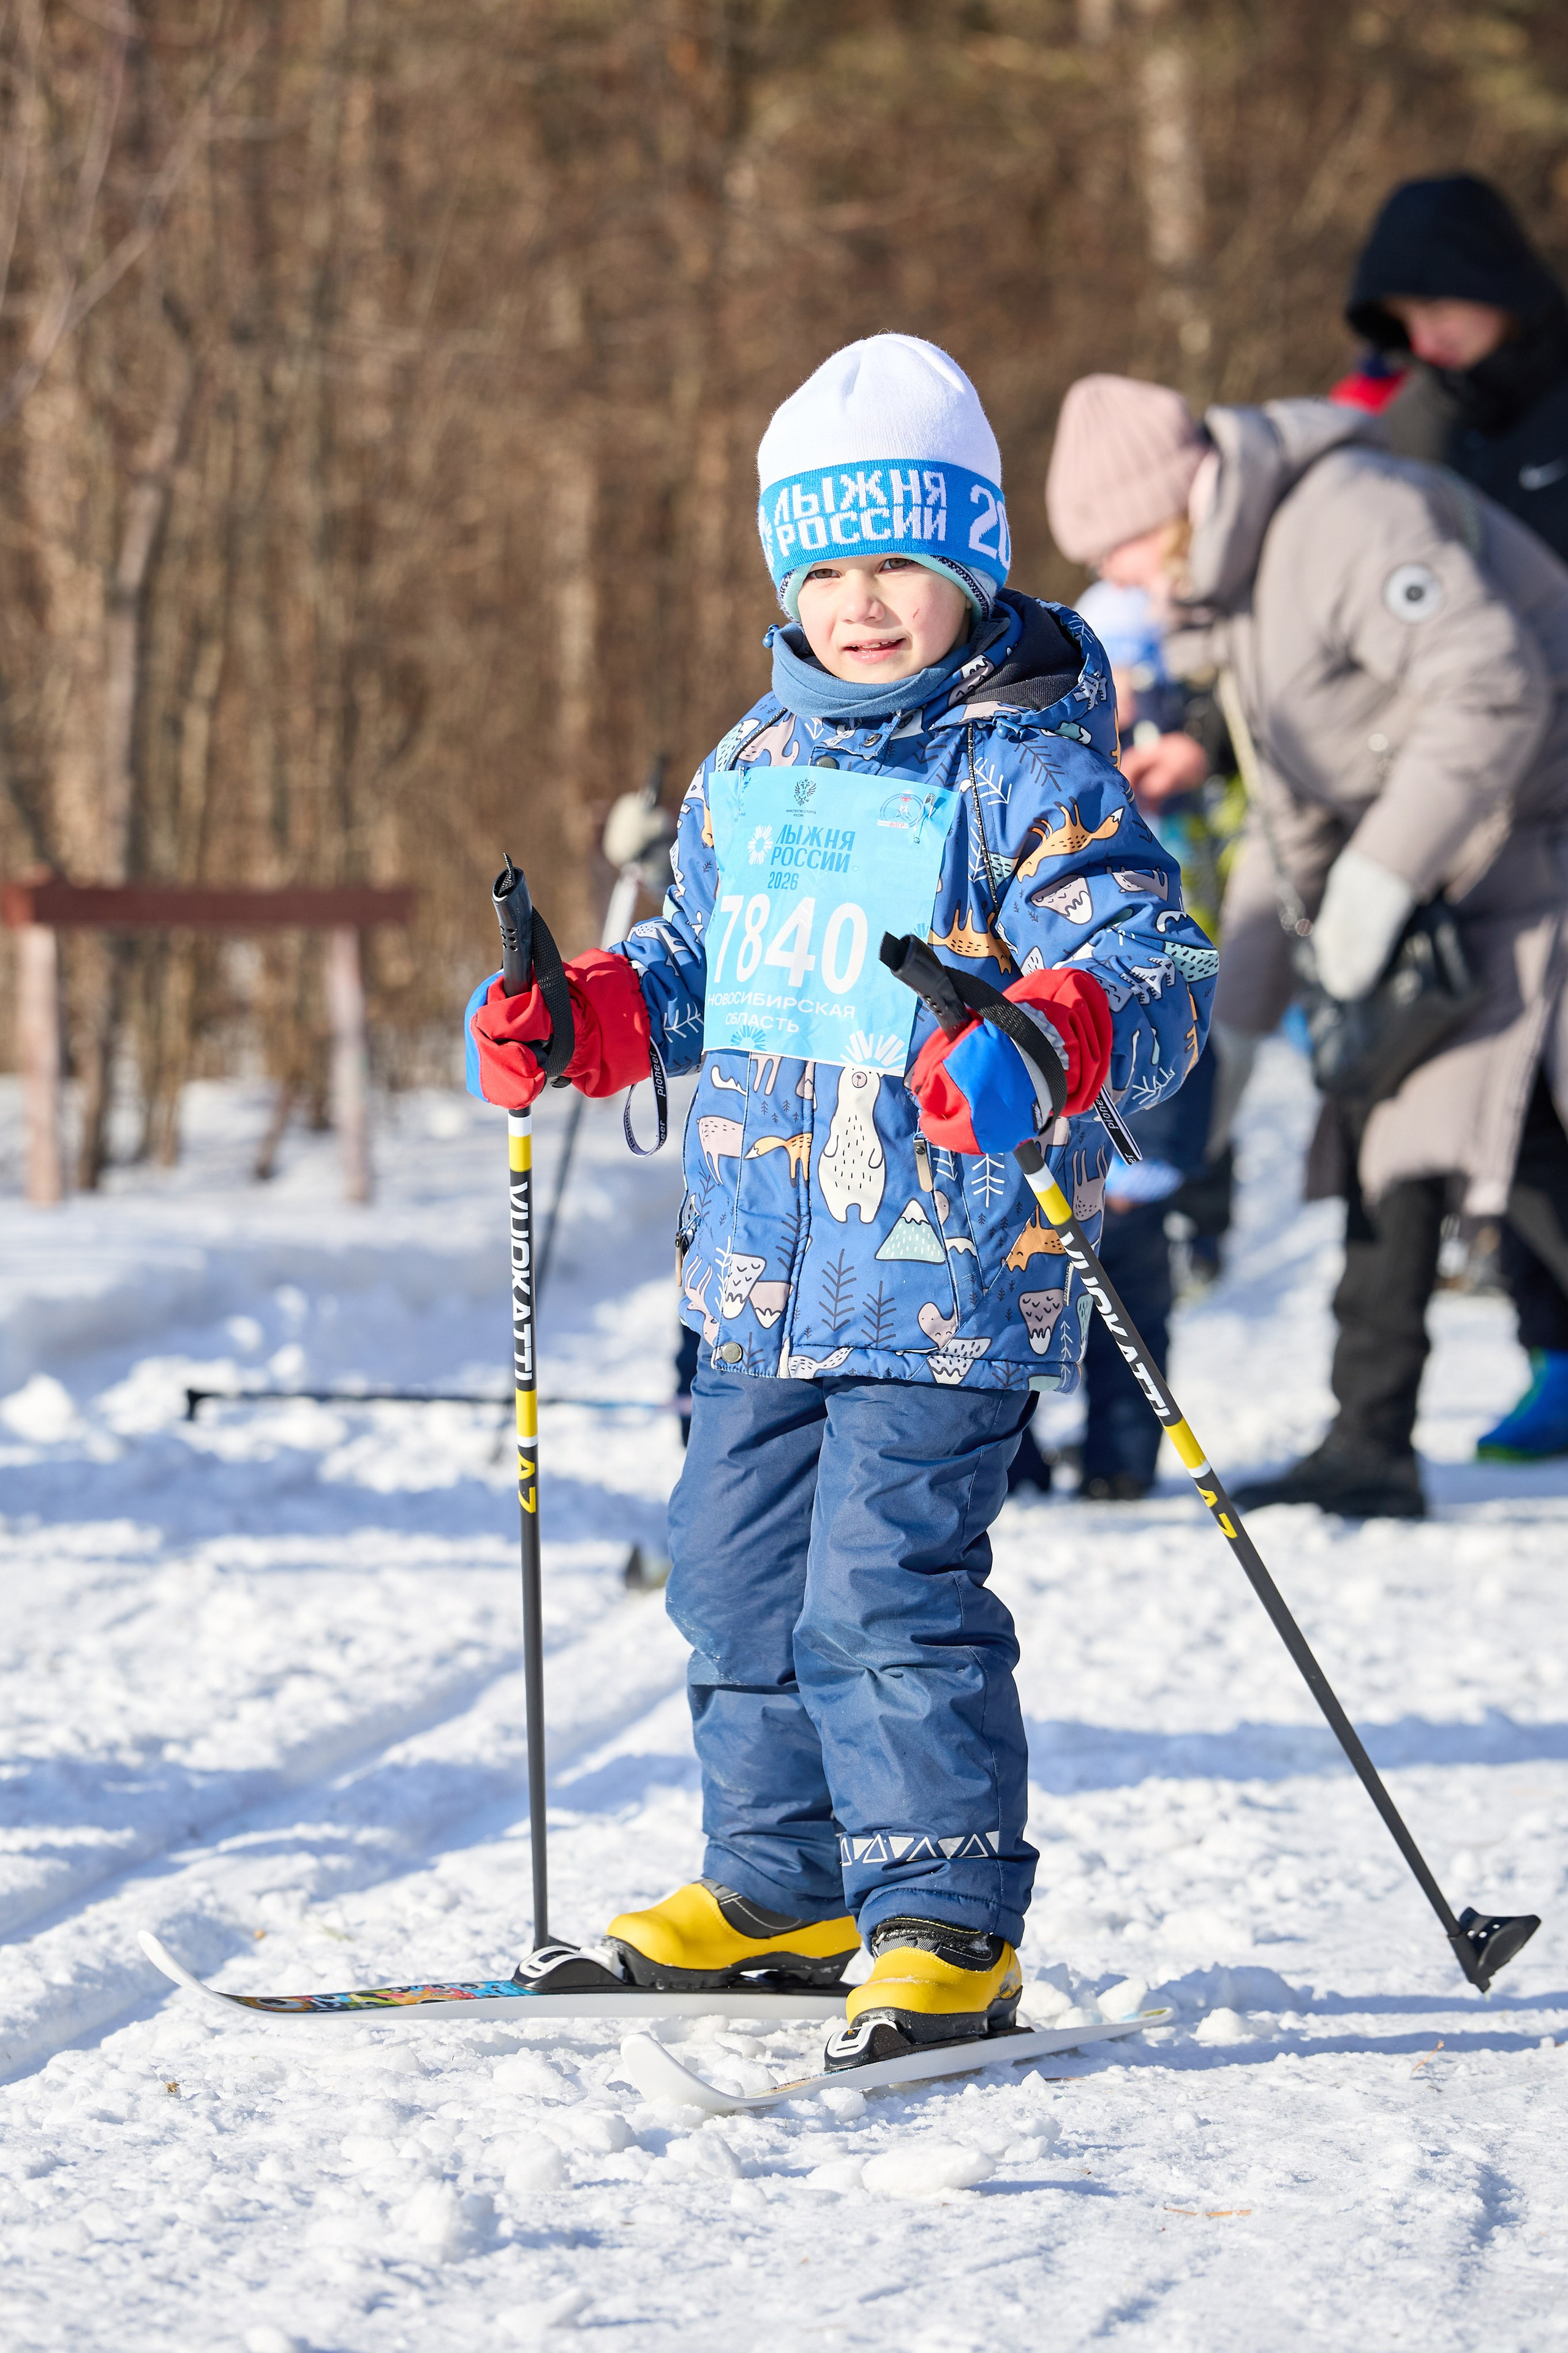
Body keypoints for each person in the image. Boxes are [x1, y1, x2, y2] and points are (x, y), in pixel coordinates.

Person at [467, 335, 1213, 2064]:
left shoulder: (1028, 762)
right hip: (757, 1274)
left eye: (900, 565)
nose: (862, 604)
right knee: (731, 1586)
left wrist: (1056, 1030)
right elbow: (701, 966)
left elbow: (1150, 961)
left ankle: (943, 1915)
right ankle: (783, 1887)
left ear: (972, 563)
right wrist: (583, 1016)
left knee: (882, 1591)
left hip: (944, 1271)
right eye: (824, 567)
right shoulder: (751, 764)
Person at [1046, 371, 1568, 1518]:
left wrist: (1380, 878)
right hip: (1448, 879)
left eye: (1124, 548)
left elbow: (1494, 687)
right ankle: (1368, 1439)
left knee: (1516, 1146)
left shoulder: (1345, 517)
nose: (1124, 579)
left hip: (1527, 859)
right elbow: (1292, 831)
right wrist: (1219, 1040)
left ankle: (1373, 1432)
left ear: (1175, 499)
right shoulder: (1231, 595)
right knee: (1393, 1139)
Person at [1348, 175, 1568, 567]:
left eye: (1436, 310)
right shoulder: (1411, 427)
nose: (1423, 343)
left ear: (1495, 283)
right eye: (1404, 319)